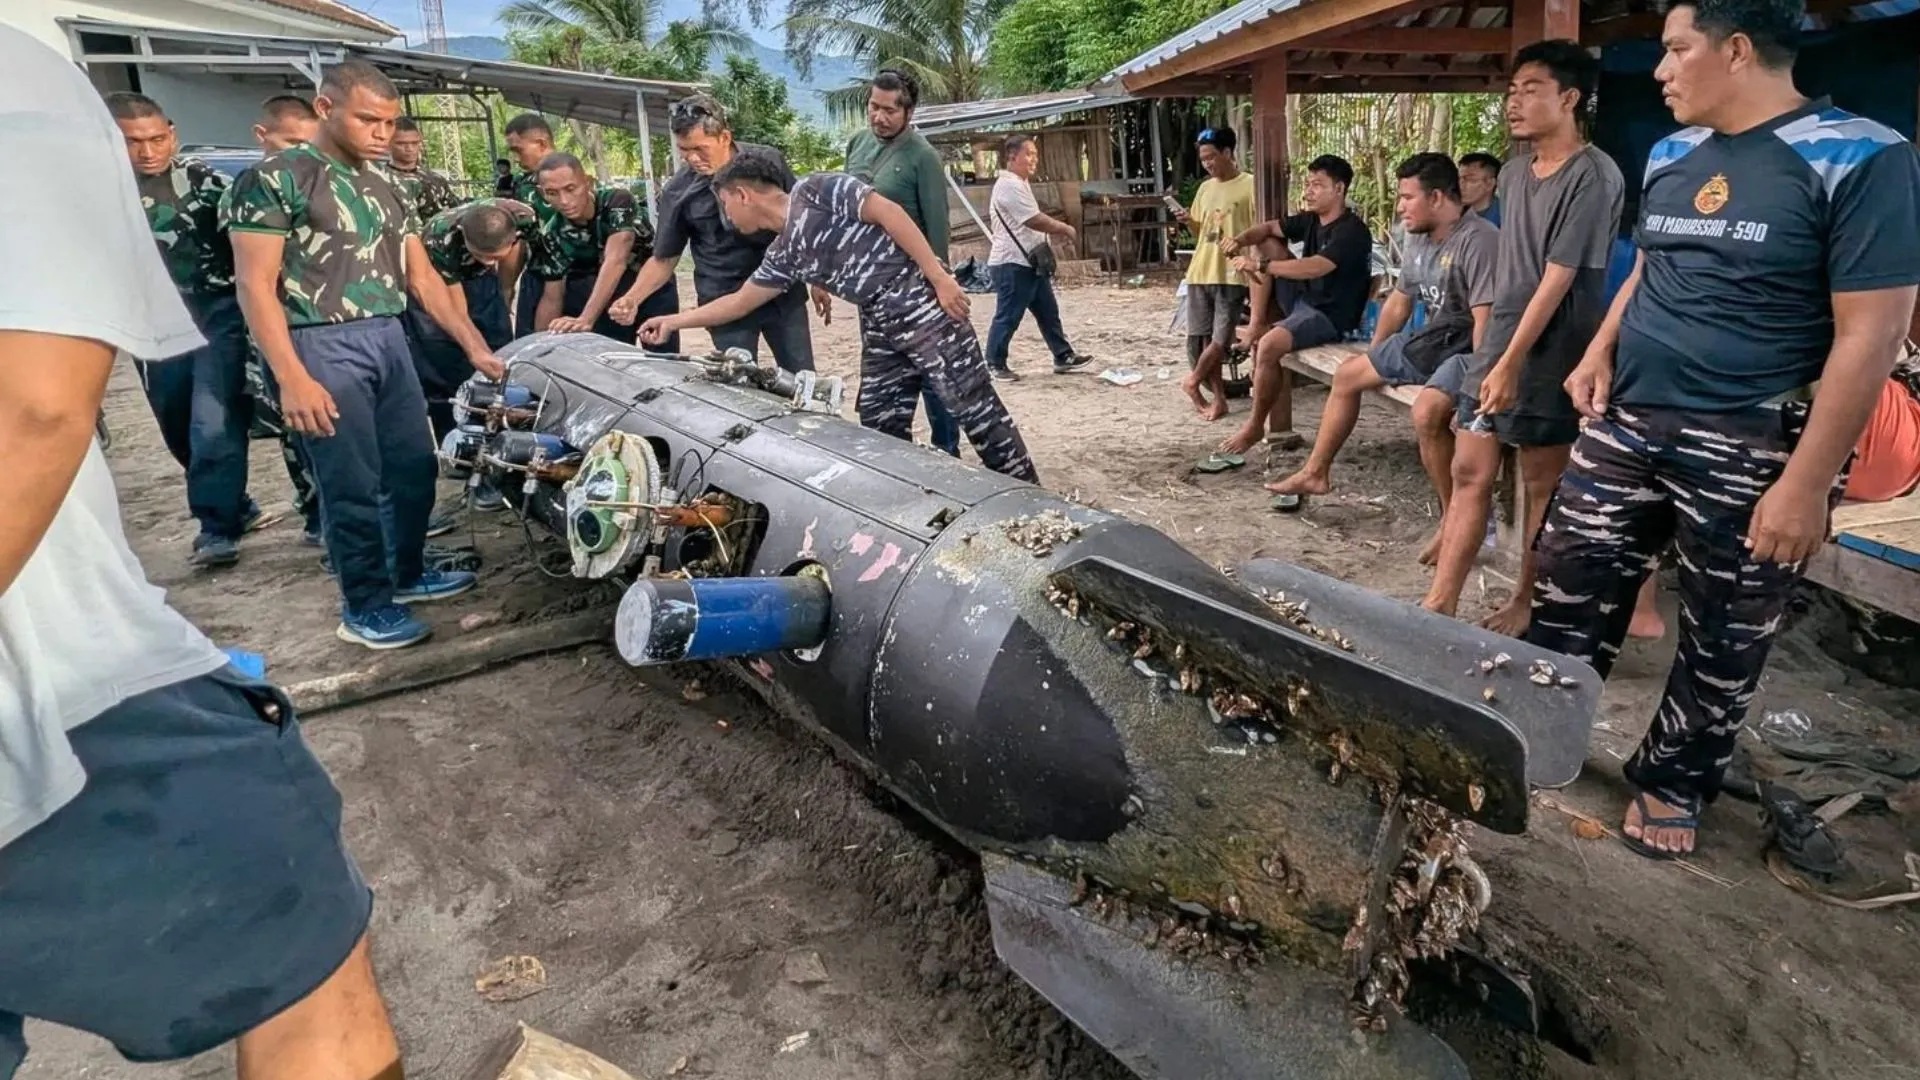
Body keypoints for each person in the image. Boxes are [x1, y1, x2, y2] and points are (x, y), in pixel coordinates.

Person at [0, 25, 402, 1078]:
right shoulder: (22, 87)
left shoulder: (373, 188)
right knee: (304, 963)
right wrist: (293, 370)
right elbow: (40, 408)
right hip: (56, 688)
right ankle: (323, 576)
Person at [1526, 0, 1920, 857]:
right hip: (1628, 418)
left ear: (1736, 50)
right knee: (1567, 575)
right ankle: (1536, 731)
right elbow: (1651, 269)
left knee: (1725, 628)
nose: (1659, 70)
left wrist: (1806, 483)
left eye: (1676, 50)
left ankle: (1673, 779)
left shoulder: (1862, 155)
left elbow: (1874, 334)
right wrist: (1599, 349)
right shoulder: (1673, 154)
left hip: (1753, 435)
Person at [224, 60, 482, 649]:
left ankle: (406, 573)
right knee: (350, 483)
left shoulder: (386, 184)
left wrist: (474, 346)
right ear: (325, 108)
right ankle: (364, 606)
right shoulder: (276, 179)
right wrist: (291, 377)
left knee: (414, 466)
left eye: (389, 123)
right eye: (368, 120)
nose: (381, 134)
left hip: (387, 336)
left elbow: (423, 277)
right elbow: (254, 286)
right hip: (318, 341)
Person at [637, 151, 1038, 483]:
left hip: (921, 302)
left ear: (742, 195)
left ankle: (1029, 494)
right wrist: (673, 322)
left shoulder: (816, 190)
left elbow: (890, 213)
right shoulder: (783, 252)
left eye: (725, 204)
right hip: (880, 321)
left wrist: (939, 277)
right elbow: (740, 302)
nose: (726, 216)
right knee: (879, 418)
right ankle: (905, 497)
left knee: (973, 408)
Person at [1420, 41, 1624, 635]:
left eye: (1531, 89)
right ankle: (1440, 603)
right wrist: (1494, 350)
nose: (1514, 101)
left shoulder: (1594, 175)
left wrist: (1511, 361)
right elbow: (1513, 268)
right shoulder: (1512, 174)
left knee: (1541, 483)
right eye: (1512, 90)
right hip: (1500, 342)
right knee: (1470, 469)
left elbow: (1558, 276)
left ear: (1570, 98)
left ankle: (1525, 599)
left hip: (1554, 348)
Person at [1266, 154, 1499, 546]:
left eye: (1407, 197)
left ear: (1437, 198)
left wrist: (1474, 394)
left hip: (1470, 347)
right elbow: (1399, 302)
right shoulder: (1419, 235)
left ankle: (1452, 517)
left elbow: (1486, 325)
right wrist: (1374, 355)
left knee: (1427, 413)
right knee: (1348, 374)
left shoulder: (1480, 242)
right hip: (1434, 338)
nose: (1400, 207)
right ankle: (1316, 472)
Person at [106, 92, 264, 569]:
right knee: (174, 418)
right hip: (153, 319)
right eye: (134, 142)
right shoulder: (99, 192)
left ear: (172, 134)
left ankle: (217, 526)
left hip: (217, 312)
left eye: (157, 139)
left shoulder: (207, 183)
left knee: (213, 419)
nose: (148, 151)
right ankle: (234, 503)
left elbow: (251, 247)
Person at [608, 93, 813, 371]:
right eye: (684, 150)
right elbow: (664, 259)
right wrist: (632, 298)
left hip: (782, 292)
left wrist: (818, 279)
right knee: (737, 381)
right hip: (722, 298)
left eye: (700, 148)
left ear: (724, 137)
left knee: (801, 376)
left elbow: (802, 221)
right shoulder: (678, 191)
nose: (692, 158)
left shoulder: (767, 163)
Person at [1216, 154, 1374, 456]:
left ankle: (1254, 426)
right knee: (1265, 242)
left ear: (1339, 189)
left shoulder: (1351, 231)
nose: (1308, 191)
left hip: (1329, 315)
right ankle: (1257, 322)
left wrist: (1260, 266)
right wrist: (1238, 240)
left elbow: (1315, 267)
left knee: (1269, 346)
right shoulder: (1311, 220)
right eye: (1308, 183)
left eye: (1317, 185)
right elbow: (1266, 229)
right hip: (1304, 299)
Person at [844, 70, 960, 453]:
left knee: (931, 370)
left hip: (914, 286)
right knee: (883, 371)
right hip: (870, 287)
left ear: (909, 112)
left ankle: (947, 451)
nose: (878, 117)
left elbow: (937, 227)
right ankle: (893, 451)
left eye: (889, 111)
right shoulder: (857, 144)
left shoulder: (922, 157)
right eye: (873, 107)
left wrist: (939, 283)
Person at [234, 95, 326, 545]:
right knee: (301, 431)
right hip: (278, 331)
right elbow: (253, 283)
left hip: (320, 330)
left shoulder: (320, 186)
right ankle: (319, 518)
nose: (301, 154)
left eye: (309, 144)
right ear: (262, 135)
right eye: (292, 143)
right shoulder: (254, 188)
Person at [529, 151, 672, 347]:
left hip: (650, 287)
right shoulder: (552, 233)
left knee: (662, 354)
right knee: (611, 357)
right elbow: (552, 296)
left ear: (588, 182)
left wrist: (586, 318)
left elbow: (616, 259)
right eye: (552, 193)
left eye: (570, 189)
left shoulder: (617, 201)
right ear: (543, 193)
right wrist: (541, 345)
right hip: (604, 295)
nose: (564, 201)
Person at [414, 198, 528, 439]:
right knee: (446, 364)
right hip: (439, 286)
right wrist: (478, 353)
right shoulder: (439, 237)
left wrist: (505, 293)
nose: (487, 261)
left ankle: (503, 433)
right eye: (482, 255)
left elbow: (512, 263)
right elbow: (458, 314)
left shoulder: (524, 217)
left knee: (502, 348)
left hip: (484, 282)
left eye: (494, 257)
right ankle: (455, 438)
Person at [985, 133, 1094, 382]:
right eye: (1029, 154)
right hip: (1012, 262)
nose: (1034, 159)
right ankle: (994, 363)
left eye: (1035, 154)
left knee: (1048, 312)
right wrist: (1064, 228)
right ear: (1012, 156)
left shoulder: (1020, 183)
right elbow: (1033, 219)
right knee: (1008, 316)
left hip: (1029, 262)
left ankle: (1063, 355)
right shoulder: (1009, 186)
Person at [1174, 124, 1257, 421]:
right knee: (1202, 338)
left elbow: (1260, 228)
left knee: (1221, 339)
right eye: (1203, 159)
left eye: (1211, 157)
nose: (1207, 164)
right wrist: (1188, 220)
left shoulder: (1250, 185)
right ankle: (1219, 399)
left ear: (1227, 152)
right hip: (1200, 270)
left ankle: (1193, 380)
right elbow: (1201, 230)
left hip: (1231, 272)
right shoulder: (1205, 188)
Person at [503, 113, 556, 333]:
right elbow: (518, 241)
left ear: (541, 144)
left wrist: (506, 288)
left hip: (575, 281)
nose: (516, 159)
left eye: (519, 150)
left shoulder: (575, 178)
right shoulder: (523, 184)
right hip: (539, 277)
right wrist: (507, 287)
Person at [388, 115, 462, 221]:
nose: (409, 148)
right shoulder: (380, 180)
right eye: (401, 144)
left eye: (414, 143)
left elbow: (455, 211)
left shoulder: (436, 180)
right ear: (388, 144)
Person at [1459, 151, 1503, 225]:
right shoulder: (1454, 214)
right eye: (1459, 178)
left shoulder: (1506, 218)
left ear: (1490, 184)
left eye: (1470, 179)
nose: (1460, 185)